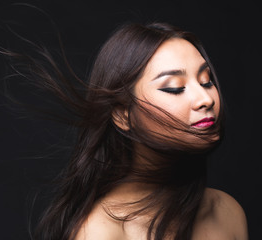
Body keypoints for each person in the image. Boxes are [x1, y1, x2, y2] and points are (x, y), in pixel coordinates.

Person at [14, 22, 248, 240]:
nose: (205, 99)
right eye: (174, 88)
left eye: (207, 81)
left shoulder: (226, 211)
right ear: (122, 115)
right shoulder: (99, 232)